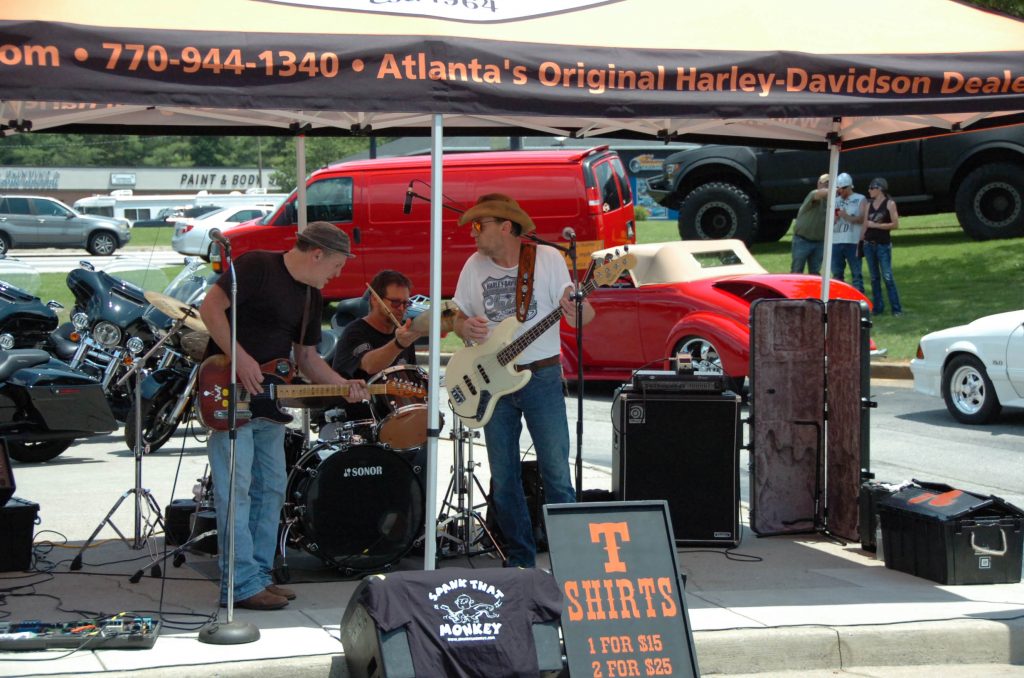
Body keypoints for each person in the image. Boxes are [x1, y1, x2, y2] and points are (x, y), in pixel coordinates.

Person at [199, 220, 369, 611]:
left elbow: (307, 358)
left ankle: (258, 575)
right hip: (230, 391)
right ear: (316, 254)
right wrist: (241, 359)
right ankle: (239, 583)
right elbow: (211, 309)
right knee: (235, 491)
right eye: (337, 265)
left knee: (272, 488)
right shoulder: (257, 265)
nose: (338, 274)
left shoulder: (311, 297)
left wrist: (345, 385)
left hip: (270, 403)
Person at [452, 194, 594, 568]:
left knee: (556, 471)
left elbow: (578, 315)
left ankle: (573, 562)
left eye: (480, 225)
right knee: (503, 476)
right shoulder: (473, 265)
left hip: (542, 375)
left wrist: (579, 307)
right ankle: (520, 561)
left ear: (506, 227)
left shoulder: (546, 259)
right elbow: (456, 314)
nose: (473, 232)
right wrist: (463, 325)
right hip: (490, 383)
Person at [331, 269, 425, 425]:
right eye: (395, 302)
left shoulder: (402, 332)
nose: (401, 308)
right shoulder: (355, 331)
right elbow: (370, 365)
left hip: (397, 418)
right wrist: (398, 344)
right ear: (375, 300)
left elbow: (410, 376)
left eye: (405, 303)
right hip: (361, 421)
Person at [862, 177, 903, 316]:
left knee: (887, 276)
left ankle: (896, 309)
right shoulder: (869, 205)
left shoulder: (889, 204)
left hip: (883, 245)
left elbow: (895, 224)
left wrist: (877, 225)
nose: (869, 190)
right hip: (869, 244)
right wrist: (860, 242)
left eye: (871, 188)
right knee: (874, 278)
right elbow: (865, 225)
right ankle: (878, 308)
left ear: (879, 189)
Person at [830, 172, 866, 293]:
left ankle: (859, 301)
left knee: (856, 274)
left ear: (849, 187)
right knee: (837, 274)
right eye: (839, 189)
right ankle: (839, 299)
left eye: (843, 189)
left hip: (853, 241)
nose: (840, 192)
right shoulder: (835, 200)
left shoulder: (860, 199)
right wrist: (834, 219)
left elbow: (862, 218)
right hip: (836, 241)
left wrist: (846, 216)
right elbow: (830, 222)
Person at [791, 173, 830, 274]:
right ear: (819, 184)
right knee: (797, 271)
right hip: (802, 240)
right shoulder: (813, 194)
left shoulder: (833, 201)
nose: (827, 185)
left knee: (815, 273)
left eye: (830, 183)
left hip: (819, 242)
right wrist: (835, 190)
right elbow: (820, 194)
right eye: (825, 183)